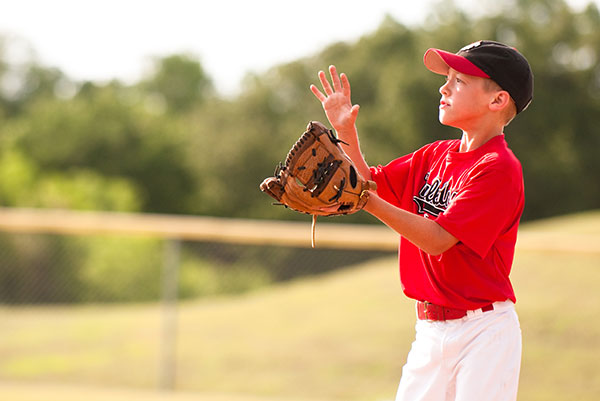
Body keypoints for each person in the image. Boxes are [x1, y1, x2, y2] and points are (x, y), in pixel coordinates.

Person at [310, 40, 533, 401]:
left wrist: (364, 200)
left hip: (483, 334)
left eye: (460, 81)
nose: (444, 87)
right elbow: (366, 183)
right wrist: (345, 131)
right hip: (429, 331)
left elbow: (438, 238)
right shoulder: (434, 155)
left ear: (497, 100)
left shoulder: (499, 168)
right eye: (448, 78)